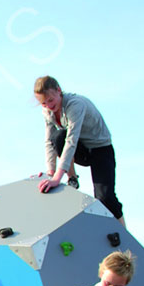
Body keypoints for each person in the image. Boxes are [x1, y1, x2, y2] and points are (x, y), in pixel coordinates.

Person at [34, 76, 125, 226]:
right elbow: (49, 141)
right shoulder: (47, 111)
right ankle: (72, 178)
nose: (49, 105)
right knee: (58, 137)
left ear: (59, 91)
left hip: (100, 149)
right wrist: (50, 173)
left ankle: (124, 238)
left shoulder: (75, 105)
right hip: (81, 151)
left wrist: (57, 178)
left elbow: (72, 140)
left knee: (105, 198)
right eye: (43, 103)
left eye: (51, 100)